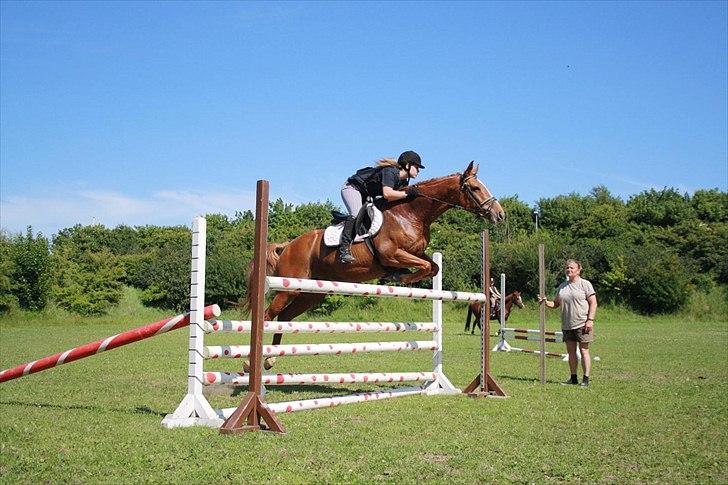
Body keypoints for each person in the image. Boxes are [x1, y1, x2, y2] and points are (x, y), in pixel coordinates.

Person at [338, 150, 424, 264]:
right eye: (417, 167)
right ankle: (344, 249)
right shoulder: (390, 172)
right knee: (356, 213)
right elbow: (387, 194)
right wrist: (407, 194)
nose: (418, 170)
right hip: (352, 188)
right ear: (407, 165)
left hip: (367, 195)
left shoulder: (403, 183)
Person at [539, 259, 598, 387]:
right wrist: (545, 301)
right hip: (567, 324)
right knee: (571, 352)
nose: (569, 270)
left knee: (584, 350)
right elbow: (555, 303)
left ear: (578, 269)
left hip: (582, 323)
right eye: (567, 268)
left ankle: (586, 379)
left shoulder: (585, 284)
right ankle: (573, 378)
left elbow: (593, 302)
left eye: (572, 268)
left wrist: (590, 320)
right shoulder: (562, 286)